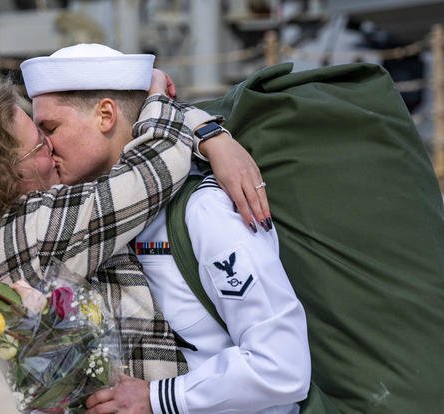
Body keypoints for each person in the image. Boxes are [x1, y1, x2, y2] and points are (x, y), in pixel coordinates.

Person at [0, 68, 256, 399]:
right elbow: (156, 166)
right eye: (41, 142)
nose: (54, 149)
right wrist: (162, 100)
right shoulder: (32, 231)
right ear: (5, 172)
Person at [20, 43, 311, 413]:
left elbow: (281, 367)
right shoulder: (93, 218)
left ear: (105, 115)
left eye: (51, 128)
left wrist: (157, 398)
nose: (45, 147)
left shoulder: (204, 210)